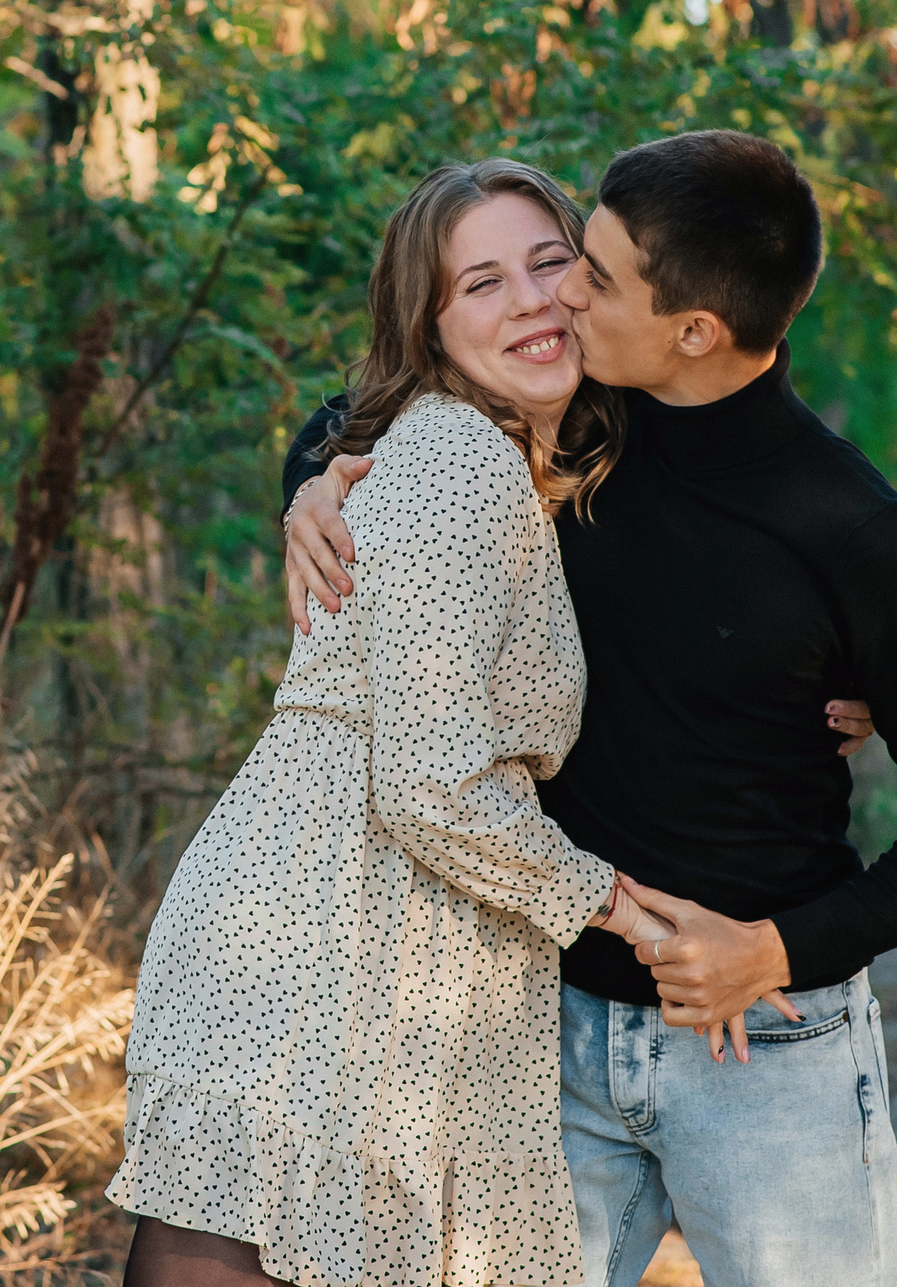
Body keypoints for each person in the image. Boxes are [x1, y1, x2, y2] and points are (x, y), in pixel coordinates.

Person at [282, 130, 897, 1287]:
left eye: (590, 273)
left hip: (768, 1048)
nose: (558, 294)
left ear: (693, 329)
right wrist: (312, 492)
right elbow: (359, 415)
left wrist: (776, 949)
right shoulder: (571, 428)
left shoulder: (862, 538)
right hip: (537, 1025)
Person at [107, 160, 688, 1287]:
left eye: (548, 261)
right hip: (326, 933)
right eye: (480, 282)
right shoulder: (460, 458)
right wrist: (618, 906)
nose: (526, 297)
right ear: (428, 328)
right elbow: (432, 786)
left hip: (367, 926)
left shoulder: (504, 454)